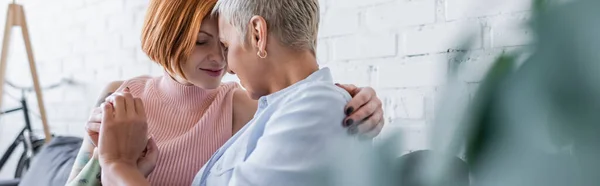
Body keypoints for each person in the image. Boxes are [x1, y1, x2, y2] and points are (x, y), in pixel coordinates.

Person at [66, 0, 384, 185]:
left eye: (224, 44)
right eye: (203, 42)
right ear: (166, 35)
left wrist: (358, 112)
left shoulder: (247, 104)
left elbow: (305, 114)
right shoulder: (120, 95)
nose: (221, 60)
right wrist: (102, 160)